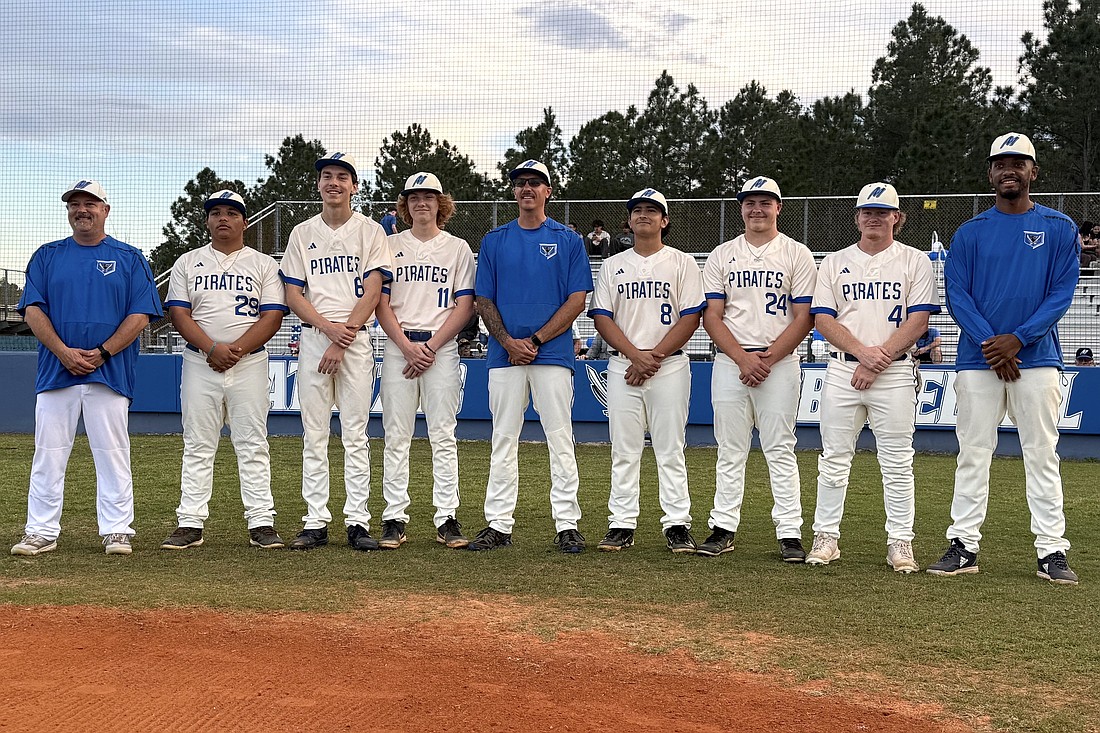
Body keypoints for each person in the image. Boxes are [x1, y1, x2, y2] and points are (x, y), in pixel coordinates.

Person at [929, 133, 1080, 585]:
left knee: (1042, 454)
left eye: (1019, 163)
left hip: (1036, 359)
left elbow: (1061, 293)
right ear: (990, 173)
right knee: (973, 454)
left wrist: (1018, 338)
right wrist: (991, 343)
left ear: (1034, 172)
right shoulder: (970, 232)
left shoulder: (1059, 227)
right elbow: (958, 294)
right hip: (980, 362)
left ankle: (1051, 550)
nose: (1008, 171)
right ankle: (964, 545)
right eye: (1000, 164)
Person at [11, 180, 162, 557]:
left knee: (112, 451)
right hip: (56, 371)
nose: (82, 209)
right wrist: (63, 351)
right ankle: (40, 531)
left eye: (90, 203)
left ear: (105, 210)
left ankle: (117, 530)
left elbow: (140, 314)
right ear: (68, 212)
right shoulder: (47, 256)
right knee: (48, 451)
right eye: (75, 204)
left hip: (109, 372)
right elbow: (32, 309)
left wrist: (103, 352)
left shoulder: (129, 258)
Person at [806, 182, 939, 572]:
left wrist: (876, 359)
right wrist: (863, 354)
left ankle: (901, 542)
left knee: (897, 462)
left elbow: (919, 321)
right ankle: (826, 536)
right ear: (857, 217)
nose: (874, 218)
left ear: (897, 217)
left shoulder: (914, 260)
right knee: (833, 459)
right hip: (843, 369)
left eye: (882, 212)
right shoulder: (834, 261)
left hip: (895, 372)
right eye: (867, 211)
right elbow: (822, 318)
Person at [471, 159, 592, 553]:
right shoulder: (494, 241)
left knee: (560, 438)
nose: (527, 189)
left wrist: (535, 341)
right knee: (503, 439)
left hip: (552, 355)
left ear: (548, 191)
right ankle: (499, 524)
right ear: (514, 191)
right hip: (504, 356)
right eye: (521, 183)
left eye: (535, 183)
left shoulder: (569, 240)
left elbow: (577, 300)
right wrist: (507, 341)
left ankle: (567, 524)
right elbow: (483, 299)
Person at [161, 190, 288, 551]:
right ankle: (190, 522)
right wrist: (211, 347)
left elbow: (273, 315)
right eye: (215, 212)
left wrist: (236, 349)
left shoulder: (263, 263)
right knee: (198, 443)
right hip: (200, 362)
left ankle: (261, 522)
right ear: (206, 221)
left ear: (244, 222)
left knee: (252, 442)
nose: (223, 218)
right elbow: (179, 313)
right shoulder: (188, 261)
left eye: (232, 213)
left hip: (249, 362)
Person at [698, 176, 817, 562]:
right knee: (730, 449)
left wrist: (767, 358)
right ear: (742, 208)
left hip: (778, 362)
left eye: (766, 203)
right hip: (732, 360)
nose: (757, 209)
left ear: (778, 208)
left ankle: (789, 532)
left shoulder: (797, 253)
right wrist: (742, 357)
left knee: (780, 448)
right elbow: (712, 316)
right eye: (750, 202)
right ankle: (723, 528)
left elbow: (804, 318)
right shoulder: (721, 254)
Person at [279, 153, 393, 551]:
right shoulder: (301, 232)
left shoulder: (370, 230)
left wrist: (342, 338)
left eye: (342, 177)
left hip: (355, 341)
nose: (334, 183)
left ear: (354, 186)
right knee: (314, 433)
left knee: (355, 434)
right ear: (318, 184)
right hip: (315, 338)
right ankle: (315, 521)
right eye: (327, 176)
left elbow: (375, 290)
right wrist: (329, 332)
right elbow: (294, 293)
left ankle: (357, 521)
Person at [590, 188, 705, 554]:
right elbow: (602, 317)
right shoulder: (613, 264)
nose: (644, 215)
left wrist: (651, 356)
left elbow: (692, 317)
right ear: (629, 220)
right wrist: (635, 356)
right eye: (637, 210)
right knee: (624, 449)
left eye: (652, 211)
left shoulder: (682, 262)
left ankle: (676, 523)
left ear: (664, 220)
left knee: (670, 448)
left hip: (668, 365)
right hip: (624, 365)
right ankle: (622, 523)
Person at [375, 172, 475, 550]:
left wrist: (430, 346)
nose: (421, 203)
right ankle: (393, 516)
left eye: (429, 197)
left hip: (441, 348)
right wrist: (406, 345)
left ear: (440, 204)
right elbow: (380, 303)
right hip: (400, 346)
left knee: (443, 435)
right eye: (414, 197)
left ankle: (446, 517)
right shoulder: (388, 244)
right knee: (396, 436)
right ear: (405, 204)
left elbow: (464, 306)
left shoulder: (457, 248)